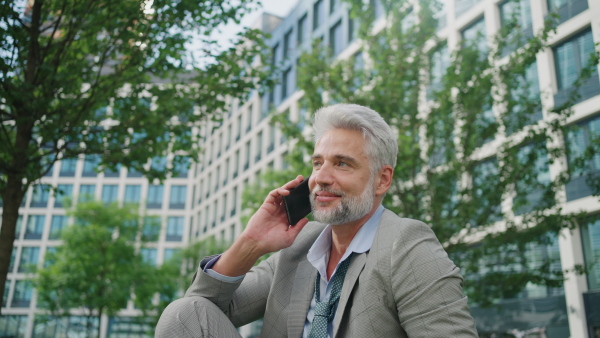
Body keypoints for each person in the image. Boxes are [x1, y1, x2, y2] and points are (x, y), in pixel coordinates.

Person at [156, 104, 478, 337]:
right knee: (183, 312)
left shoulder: (407, 245)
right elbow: (202, 312)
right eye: (317, 163)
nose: (320, 178)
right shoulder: (301, 245)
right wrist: (251, 244)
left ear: (382, 180)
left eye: (342, 164)